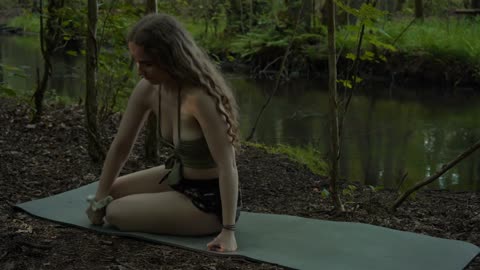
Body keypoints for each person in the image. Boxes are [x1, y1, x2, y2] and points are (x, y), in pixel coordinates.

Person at [85, 13, 241, 253]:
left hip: (209, 200)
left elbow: (227, 165)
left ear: (171, 59)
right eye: (136, 62)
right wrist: (98, 201)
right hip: (178, 176)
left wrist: (228, 231)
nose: (140, 71)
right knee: (109, 193)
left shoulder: (200, 98)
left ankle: (216, 222)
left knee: (115, 211)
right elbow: (121, 146)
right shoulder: (148, 89)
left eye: (147, 63)